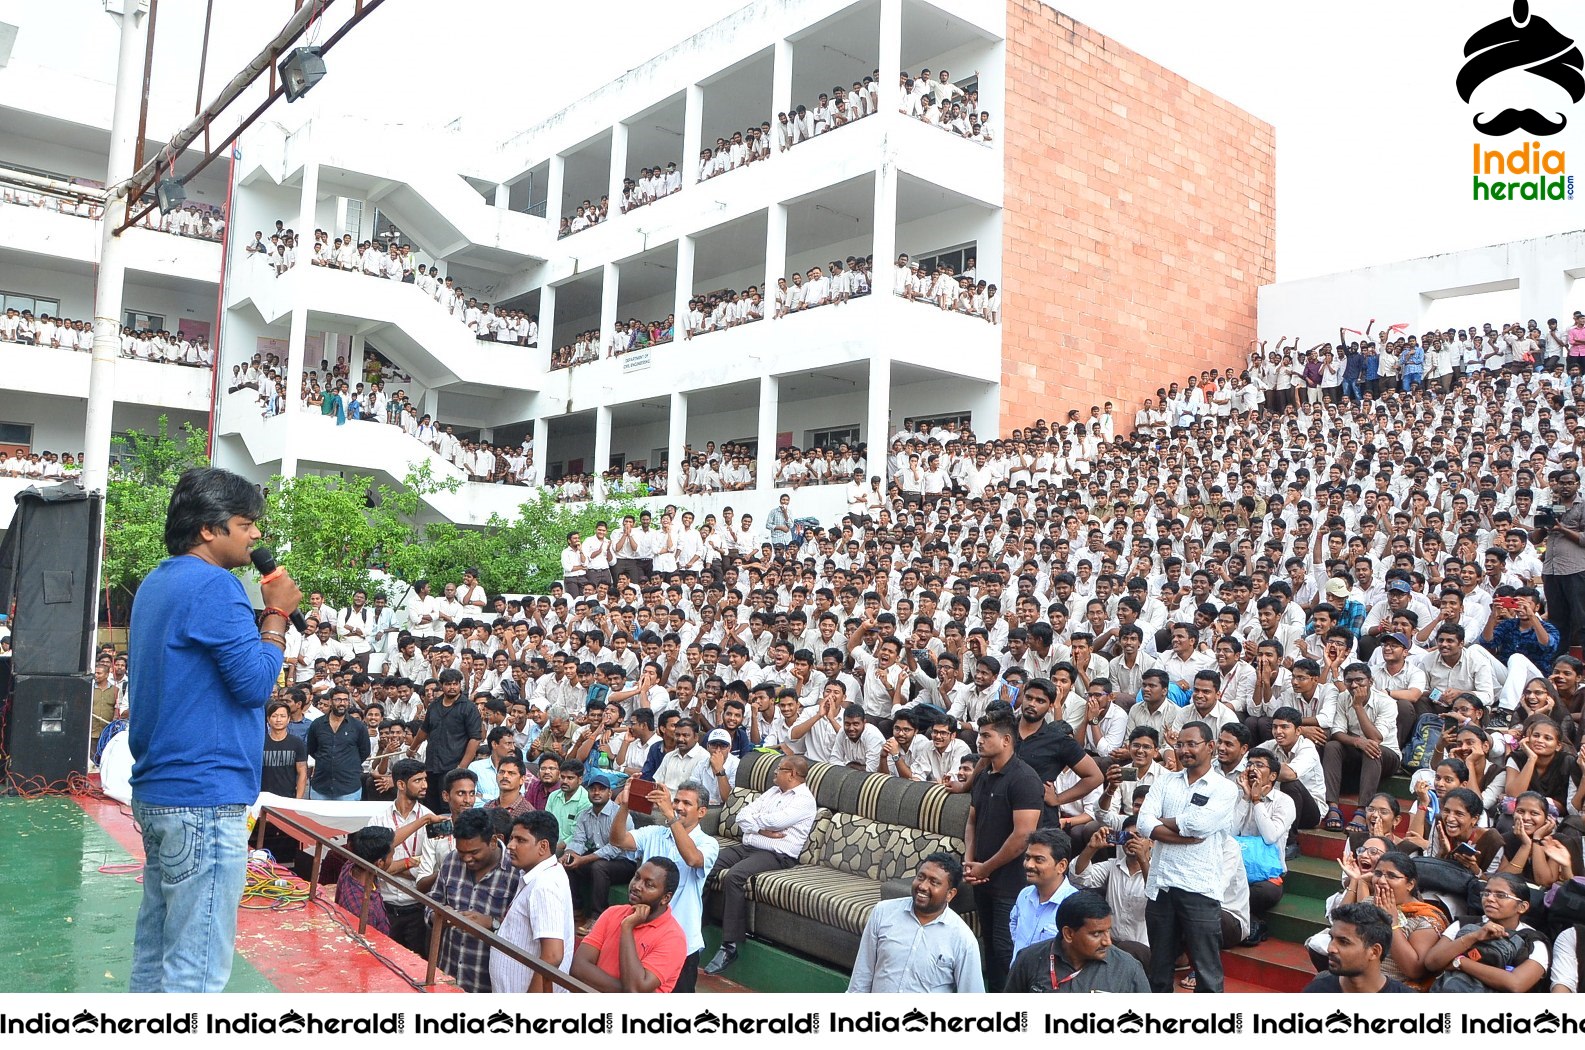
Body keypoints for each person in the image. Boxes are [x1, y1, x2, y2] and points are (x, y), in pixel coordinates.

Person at [128, 467, 297, 993]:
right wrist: (275, 617)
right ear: (209, 529)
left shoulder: (156, 582)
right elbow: (252, 685)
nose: (256, 537)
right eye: (247, 524)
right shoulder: (216, 586)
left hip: (160, 791)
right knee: (195, 974)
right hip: (203, 796)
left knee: (155, 960)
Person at [1136, 719, 1237, 993]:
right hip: (1161, 887)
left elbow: (1199, 826)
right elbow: (1144, 822)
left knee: (1207, 974)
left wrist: (1162, 822)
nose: (1184, 750)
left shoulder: (1225, 788)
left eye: (1192, 744)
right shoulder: (1166, 781)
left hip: (1199, 888)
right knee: (1159, 971)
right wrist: (1183, 833)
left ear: (1211, 747)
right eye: (1179, 744)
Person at [702, 756, 818, 974]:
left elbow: (777, 822)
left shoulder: (804, 800)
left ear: (792, 774)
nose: (775, 772)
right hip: (750, 845)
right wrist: (762, 830)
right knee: (705, 862)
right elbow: (742, 816)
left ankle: (730, 945)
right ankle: (698, 923)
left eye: (780, 769)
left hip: (777, 854)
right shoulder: (773, 792)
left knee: (734, 876)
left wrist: (756, 824)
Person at [610, 779, 719, 992]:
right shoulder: (654, 832)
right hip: (644, 933)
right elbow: (618, 839)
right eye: (676, 801)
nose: (678, 807)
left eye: (687, 803)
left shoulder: (708, 843)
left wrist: (670, 816)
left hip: (682, 941)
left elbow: (692, 859)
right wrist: (625, 805)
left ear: (702, 811)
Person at [964, 709, 1044, 988]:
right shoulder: (984, 775)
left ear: (1006, 740)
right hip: (981, 878)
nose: (979, 741)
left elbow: (1023, 835)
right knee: (989, 949)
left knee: (1006, 951)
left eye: (986, 736)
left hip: (1011, 883)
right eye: (979, 735)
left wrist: (985, 867)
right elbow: (972, 820)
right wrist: (969, 860)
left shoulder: (1024, 778)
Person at [847, 853, 984, 993]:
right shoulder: (883, 912)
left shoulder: (962, 939)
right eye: (921, 877)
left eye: (934, 882)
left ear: (950, 894)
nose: (923, 886)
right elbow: (862, 974)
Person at [428, 808, 518, 993]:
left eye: (474, 852)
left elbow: (520, 932)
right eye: (462, 852)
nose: (467, 859)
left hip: (487, 984)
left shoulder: (516, 872)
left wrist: (492, 923)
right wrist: (438, 916)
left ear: (493, 841)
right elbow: (432, 902)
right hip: (447, 975)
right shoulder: (452, 860)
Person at [569, 859, 688, 993]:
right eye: (636, 877)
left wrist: (627, 928)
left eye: (649, 885)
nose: (637, 886)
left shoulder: (673, 938)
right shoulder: (612, 913)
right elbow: (578, 967)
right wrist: (627, 993)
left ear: (665, 898)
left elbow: (635, 988)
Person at [491, 810, 576, 993]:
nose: (511, 845)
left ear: (543, 847)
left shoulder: (544, 885)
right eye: (511, 838)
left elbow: (553, 955)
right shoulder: (539, 874)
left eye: (520, 840)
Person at [1002, 889, 1150, 993]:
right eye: (1096, 934)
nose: (1107, 942)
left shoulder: (1128, 968)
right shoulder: (1029, 960)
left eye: (1108, 931)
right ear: (1068, 934)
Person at [1301, 902, 1414, 993]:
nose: (1330, 948)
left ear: (1374, 952)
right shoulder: (1317, 991)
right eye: (1331, 938)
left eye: (1343, 942)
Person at [413, 667, 482, 813]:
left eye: (455, 684)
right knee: (430, 806)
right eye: (448, 684)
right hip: (432, 765)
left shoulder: (469, 708)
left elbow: (475, 739)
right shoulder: (434, 706)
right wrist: (412, 748)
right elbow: (424, 730)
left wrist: (462, 767)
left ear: (460, 685)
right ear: (442, 685)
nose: (452, 687)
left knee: (449, 807)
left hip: (453, 766)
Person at [1009, 827, 1078, 958]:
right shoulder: (1024, 895)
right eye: (1027, 857)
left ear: (1061, 866)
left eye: (1038, 859)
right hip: (1018, 974)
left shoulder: (1074, 905)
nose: (1029, 865)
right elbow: (1014, 923)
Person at [1541, 469, 1585, 658]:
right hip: (1551, 570)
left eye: (1570, 483)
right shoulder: (1552, 506)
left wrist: (1561, 528)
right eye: (1562, 483)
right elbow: (1536, 538)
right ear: (1556, 484)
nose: (1565, 486)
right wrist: (1543, 524)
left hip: (1574, 568)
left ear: (1578, 485)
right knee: (1556, 620)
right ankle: (1559, 661)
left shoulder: (1582, 506)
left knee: (1581, 618)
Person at [304, 686, 371, 801]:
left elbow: (364, 751)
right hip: (321, 786)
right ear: (330, 701)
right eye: (338, 700)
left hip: (348, 787)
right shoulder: (317, 724)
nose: (342, 703)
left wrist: (346, 763)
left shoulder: (358, 726)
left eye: (345, 700)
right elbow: (312, 749)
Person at [335, 826, 395, 938]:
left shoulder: (350, 865)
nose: (392, 859)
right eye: (392, 856)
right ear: (380, 863)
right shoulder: (366, 910)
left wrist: (424, 819)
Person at [261, 699, 306, 799]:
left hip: (288, 798)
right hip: (263, 798)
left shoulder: (297, 743)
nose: (278, 720)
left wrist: (298, 800)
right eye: (274, 716)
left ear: (289, 719)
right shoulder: (260, 743)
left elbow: (302, 772)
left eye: (282, 716)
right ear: (268, 719)